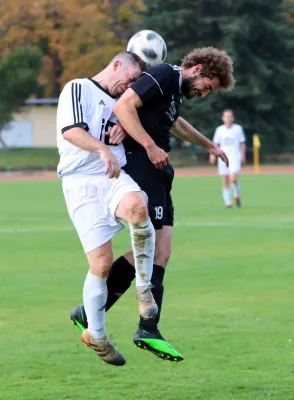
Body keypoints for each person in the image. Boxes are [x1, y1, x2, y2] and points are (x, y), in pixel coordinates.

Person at [70, 47, 235, 362]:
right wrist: (148, 145)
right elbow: (124, 104)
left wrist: (208, 144)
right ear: (197, 68)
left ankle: (94, 310)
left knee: (162, 250)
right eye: (207, 86)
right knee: (151, 245)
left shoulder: (174, 91)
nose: (204, 94)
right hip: (143, 163)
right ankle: (147, 326)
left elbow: (176, 123)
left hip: (160, 170)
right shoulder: (165, 74)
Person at [57, 51, 161, 367]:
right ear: (116, 65)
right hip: (80, 181)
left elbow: (146, 118)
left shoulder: (123, 102)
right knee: (101, 265)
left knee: (138, 207)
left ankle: (144, 290)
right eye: (129, 80)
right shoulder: (78, 88)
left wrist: (127, 128)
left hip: (113, 175)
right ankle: (97, 336)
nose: (128, 88)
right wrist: (102, 147)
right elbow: (71, 131)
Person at [209, 109, 246, 207]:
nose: (228, 118)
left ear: (233, 118)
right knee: (225, 180)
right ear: (223, 118)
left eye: (230, 116)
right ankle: (228, 202)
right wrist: (212, 156)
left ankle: (236, 195)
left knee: (233, 178)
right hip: (223, 157)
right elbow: (215, 144)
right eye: (226, 116)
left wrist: (243, 156)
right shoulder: (219, 130)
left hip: (235, 157)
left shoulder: (238, 129)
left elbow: (242, 143)